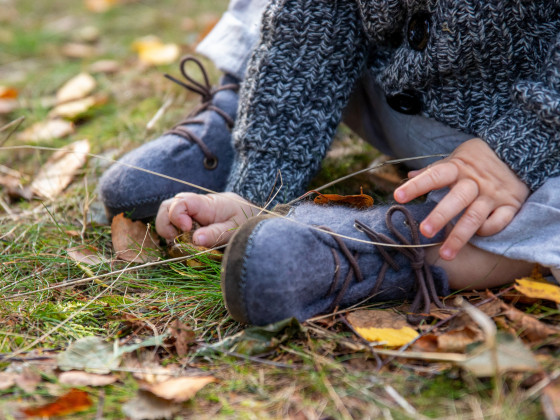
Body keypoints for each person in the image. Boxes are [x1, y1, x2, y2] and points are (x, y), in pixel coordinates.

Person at [101, 0, 560, 326]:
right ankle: (241, 108)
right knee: (275, 15)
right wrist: (258, 189)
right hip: (389, 83)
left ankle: (394, 250)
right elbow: (310, 29)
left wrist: (523, 140)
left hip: (534, 144)